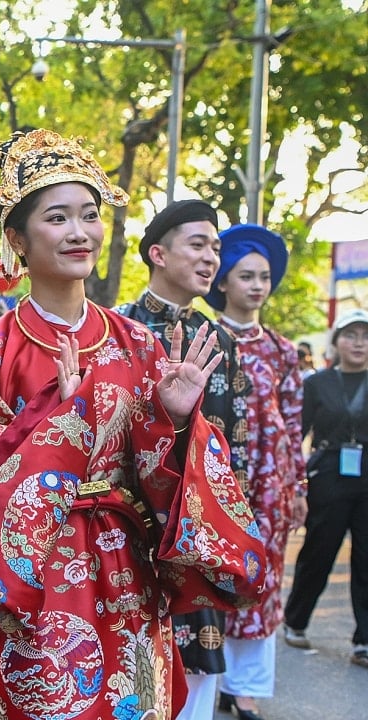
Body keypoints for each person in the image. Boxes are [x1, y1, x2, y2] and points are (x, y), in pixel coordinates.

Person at [0, 129, 265, 719]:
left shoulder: (140, 345)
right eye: (58, 218)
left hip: (124, 571)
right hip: (29, 579)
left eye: (90, 215)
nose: (79, 232)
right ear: (17, 239)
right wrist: (52, 427)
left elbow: (164, 478)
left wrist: (174, 423)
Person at [115, 198, 252, 720]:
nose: (211, 258)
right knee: (129, 668)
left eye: (215, 248)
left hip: (197, 531)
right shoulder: (117, 330)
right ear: (158, 254)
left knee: (194, 670)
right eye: (198, 245)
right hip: (129, 530)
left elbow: (231, 444)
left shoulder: (220, 338)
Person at [202, 224, 305, 719]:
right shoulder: (204, 338)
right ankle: (208, 675)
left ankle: (246, 688)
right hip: (218, 478)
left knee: (262, 580)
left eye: (264, 277)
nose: (257, 286)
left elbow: (293, 419)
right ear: (224, 282)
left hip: (269, 485)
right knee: (214, 577)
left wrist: (298, 485)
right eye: (246, 276)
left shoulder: (284, 351)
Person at [283, 308, 368, 671]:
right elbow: (296, 435)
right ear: (336, 340)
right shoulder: (316, 383)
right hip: (329, 474)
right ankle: (296, 620)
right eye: (351, 334)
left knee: (367, 559)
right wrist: (294, 485)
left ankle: (364, 639)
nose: (359, 343)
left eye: (365, 335)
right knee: (319, 551)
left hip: (367, 475)